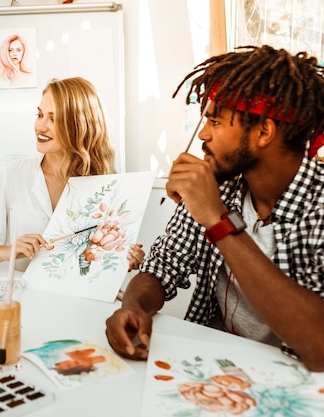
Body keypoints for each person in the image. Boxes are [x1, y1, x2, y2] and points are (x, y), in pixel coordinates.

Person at [105, 45, 324, 372]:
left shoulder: (317, 206)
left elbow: (319, 348)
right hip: (217, 368)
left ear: (264, 131)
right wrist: (132, 305)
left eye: (216, 121)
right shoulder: (220, 185)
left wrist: (217, 219)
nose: (203, 133)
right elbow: (164, 265)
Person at [0, 77, 145, 272]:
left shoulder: (106, 184)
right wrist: (8, 251)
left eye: (53, 119)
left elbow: (101, 263)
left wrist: (124, 257)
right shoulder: (14, 174)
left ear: (79, 125)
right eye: (40, 114)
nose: (40, 126)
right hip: (25, 297)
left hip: (80, 299)